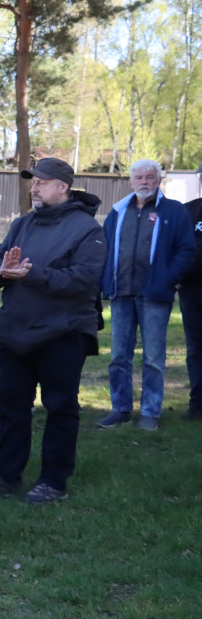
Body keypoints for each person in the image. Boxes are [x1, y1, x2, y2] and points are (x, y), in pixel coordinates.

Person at [0, 158, 106, 504]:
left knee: (59, 408)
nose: (35, 187)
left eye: (42, 182)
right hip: (17, 330)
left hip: (63, 333)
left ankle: (54, 482)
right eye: (33, 181)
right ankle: (5, 475)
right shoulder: (23, 223)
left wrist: (31, 273)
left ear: (63, 187)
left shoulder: (87, 229)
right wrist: (3, 271)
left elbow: (84, 281)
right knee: (11, 405)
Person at [97, 159, 195, 431]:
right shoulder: (118, 211)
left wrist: (166, 278)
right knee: (118, 356)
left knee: (153, 358)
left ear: (158, 180)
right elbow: (104, 250)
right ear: (131, 181)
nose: (144, 182)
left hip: (155, 296)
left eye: (149, 177)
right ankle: (120, 409)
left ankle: (150, 412)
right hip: (122, 295)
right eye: (138, 177)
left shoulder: (173, 211)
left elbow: (186, 251)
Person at [181, 164, 202, 420]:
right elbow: (175, 246)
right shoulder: (189, 210)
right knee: (196, 349)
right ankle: (197, 404)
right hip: (190, 291)